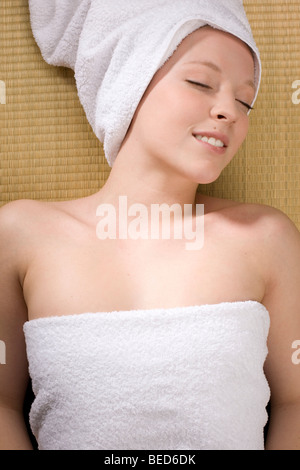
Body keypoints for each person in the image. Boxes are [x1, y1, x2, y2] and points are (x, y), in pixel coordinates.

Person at [0, 0, 300, 450]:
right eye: (201, 82)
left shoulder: (267, 237)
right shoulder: (21, 234)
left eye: (244, 100)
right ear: (129, 81)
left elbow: (295, 402)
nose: (230, 112)